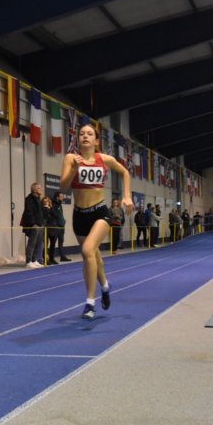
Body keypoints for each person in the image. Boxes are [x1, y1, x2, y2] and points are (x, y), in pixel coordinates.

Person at [59, 122, 132, 320]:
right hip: (79, 215)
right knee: (93, 256)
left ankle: (90, 303)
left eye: (89, 134)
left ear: (96, 141)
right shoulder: (70, 158)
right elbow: (63, 187)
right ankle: (105, 286)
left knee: (87, 251)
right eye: (81, 133)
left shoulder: (105, 159)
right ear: (77, 139)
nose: (85, 136)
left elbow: (125, 172)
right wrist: (74, 169)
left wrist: (127, 195)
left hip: (100, 212)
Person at [21, 182, 45, 268]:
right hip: (33, 225)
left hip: (40, 225)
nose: (41, 189)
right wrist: (33, 223)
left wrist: (42, 223)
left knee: (37, 244)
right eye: (39, 188)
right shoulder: (29, 199)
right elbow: (29, 212)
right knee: (31, 243)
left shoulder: (39, 199)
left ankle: (34, 260)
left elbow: (40, 213)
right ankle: (28, 261)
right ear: (34, 190)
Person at [47, 191, 69, 263]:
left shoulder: (59, 204)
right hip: (55, 226)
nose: (63, 198)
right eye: (61, 196)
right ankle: (50, 258)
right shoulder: (52, 204)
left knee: (61, 241)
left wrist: (63, 221)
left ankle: (62, 256)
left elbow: (60, 215)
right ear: (57, 197)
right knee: (53, 243)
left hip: (61, 225)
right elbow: (54, 214)